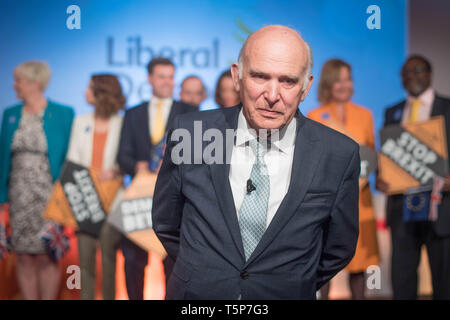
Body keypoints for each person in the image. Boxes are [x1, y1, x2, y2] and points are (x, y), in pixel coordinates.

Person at [152, 25, 360, 300]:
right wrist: (206, 270)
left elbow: (338, 248)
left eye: (288, 81)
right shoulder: (191, 134)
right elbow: (167, 221)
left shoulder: (338, 154)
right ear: (237, 76)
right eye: (260, 77)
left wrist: (289, 282)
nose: (272, 95)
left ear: (306, 86)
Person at [117, 57, 196, 300]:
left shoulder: (189, 112)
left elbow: (196, 156)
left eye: (171, 77)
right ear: (149, 79)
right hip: (139, 199)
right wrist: (136, 164)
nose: (167, 82)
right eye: (161, 76)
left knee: (173, 264)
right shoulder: (133, 113)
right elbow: (122, 156)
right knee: (132, 261)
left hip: (173, 201)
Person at [377, 55, 450, 299]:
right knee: (403, 280)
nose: (412, 76)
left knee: (445, 282)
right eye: (406, 72)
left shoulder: (448, 107)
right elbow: (387, 156)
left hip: (441, 209)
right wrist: (381, 177)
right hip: (402, 209)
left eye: (418, 70)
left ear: (430, 73)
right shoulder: (392, 112)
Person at [0, 61, 74, 299]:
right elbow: (2, 158)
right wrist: (2, 199)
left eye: (18, 80)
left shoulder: (63, 113)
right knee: (22, 255)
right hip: (18, 196)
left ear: (35, 83)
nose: (14, 85)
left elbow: (69, 158)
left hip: (49, 196)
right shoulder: (11, 115)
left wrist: (65, 197)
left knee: (46, 254)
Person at [308, 59, 379, 300]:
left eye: (348, 78)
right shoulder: (314, 115)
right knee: (322, 263)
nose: (344, 84)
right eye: (338, 79)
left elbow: (371, 154)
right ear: (328, 82)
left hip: (361, 199)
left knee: (360, 264)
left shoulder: (365, 115)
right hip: (326, 199)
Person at [66, 74, 125, 300]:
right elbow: (72, 160)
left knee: (109, 261)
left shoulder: (122, 123)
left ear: (102, 92)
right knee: (85, 263)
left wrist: (117, 171)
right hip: (85, 201)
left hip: (112, 203)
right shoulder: (81, 122)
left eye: (89, 88)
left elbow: (125, 161)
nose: (84, 92)